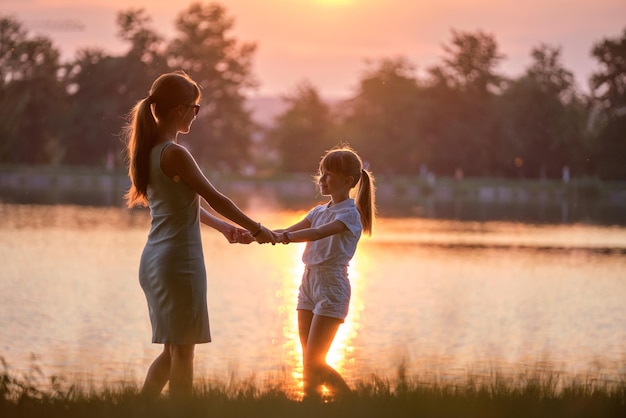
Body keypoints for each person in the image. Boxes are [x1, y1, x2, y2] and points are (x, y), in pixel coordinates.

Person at [123, 70, 275, 400]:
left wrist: (224, 228)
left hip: (154, 262)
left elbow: (185, 206)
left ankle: (138, 410)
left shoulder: (149, 152)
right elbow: (216, 198)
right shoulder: (175, 153)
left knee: (171, 353)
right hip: (179, 263)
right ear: (180, 109)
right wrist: (258, 228)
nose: (196, 113)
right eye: (195, 107)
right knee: (184, 355)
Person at [274, 146, 376, 401]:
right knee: (307, 363)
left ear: (348, 181)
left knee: (315, 362)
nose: (322, 179)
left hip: (331, 286)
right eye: (322, 173)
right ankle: (312, 406)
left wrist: (283, 237)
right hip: (308, 282)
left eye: (328, 175)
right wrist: (258, 234)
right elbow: (287, 231)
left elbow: (318, 233)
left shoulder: (350, 215)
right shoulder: (318, 211)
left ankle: (352, 404)